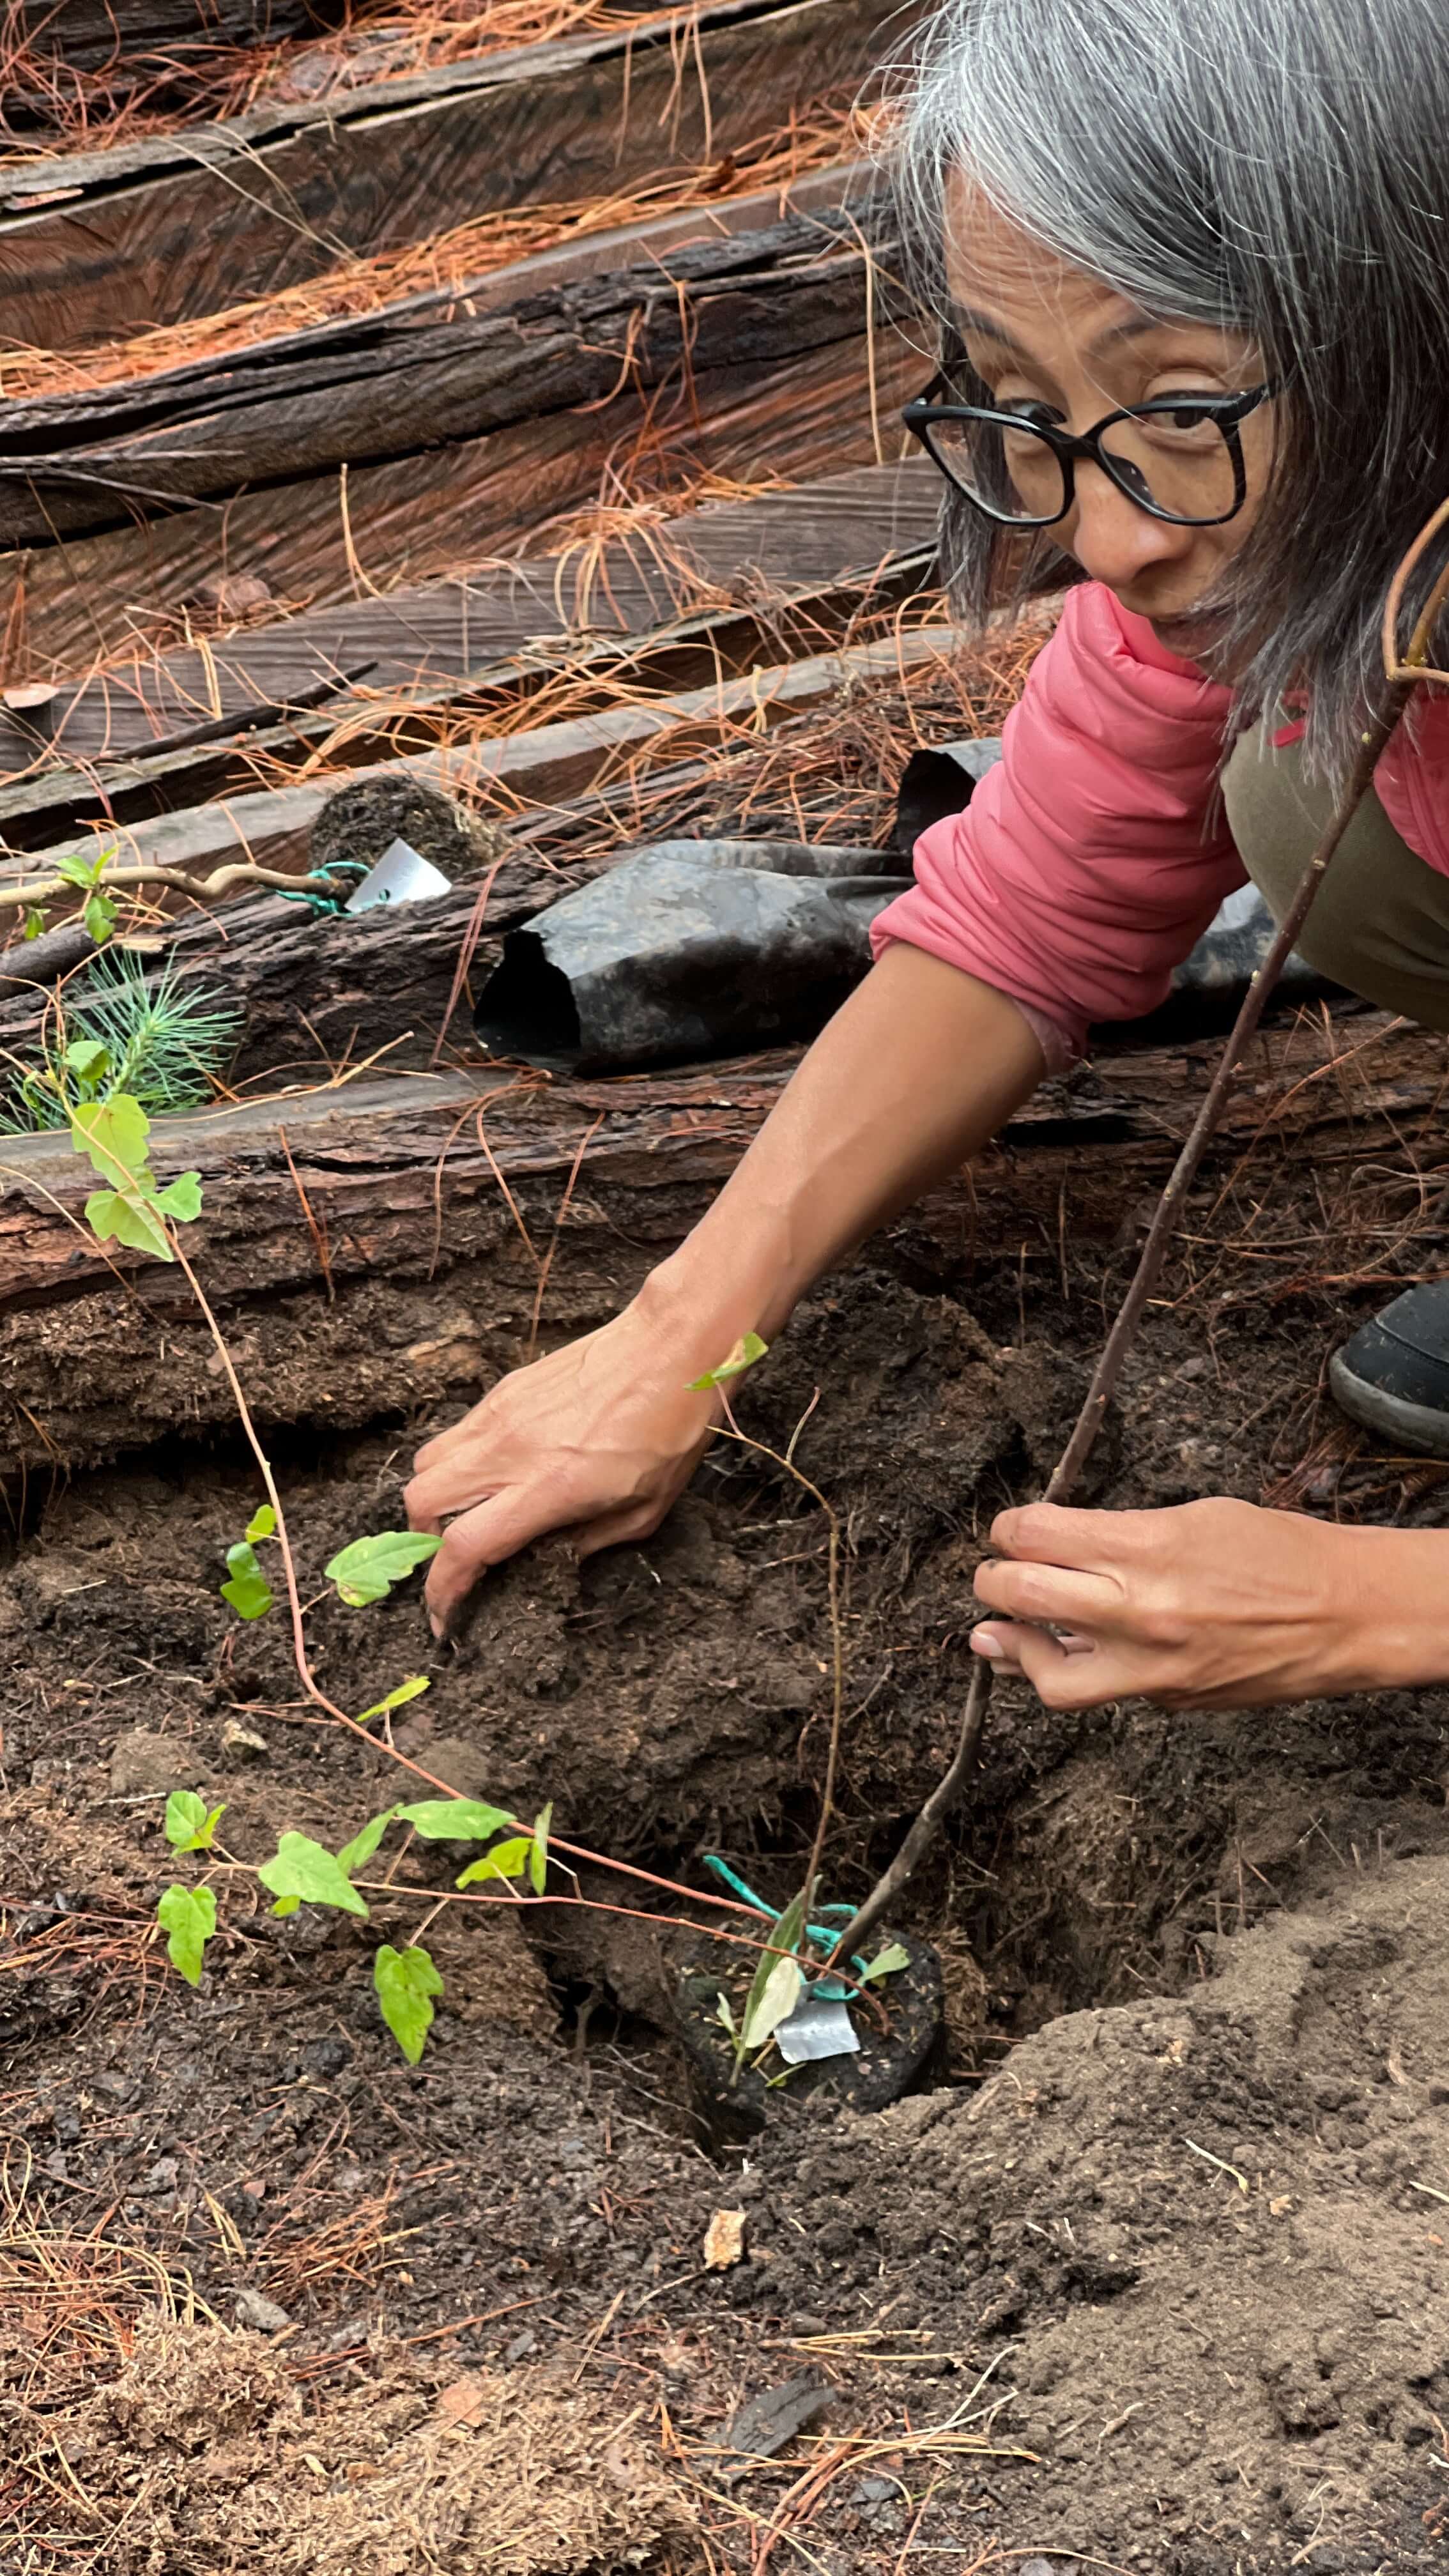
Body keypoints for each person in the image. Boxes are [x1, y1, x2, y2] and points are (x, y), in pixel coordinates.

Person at [408, 0, 1449, 1708]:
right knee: (1301, 798)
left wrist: (1371, 1606)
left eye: (1181, 405)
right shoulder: (1280, 537)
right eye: (1031, 405)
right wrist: (678, 1336)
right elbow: (1024, 912)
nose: (1101, 538)